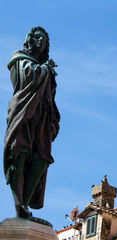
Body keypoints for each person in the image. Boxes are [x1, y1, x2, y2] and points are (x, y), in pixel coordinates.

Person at [4, 26, 60, 219]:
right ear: (29, 40)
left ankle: (25, 204)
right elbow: (25, 78)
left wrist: (54, 120)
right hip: (23, 112)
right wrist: (45, 70)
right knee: (19, 154)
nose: (40, 41)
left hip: (42, 117)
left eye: (44, 39)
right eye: (37, 38)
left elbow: (50, 98)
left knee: (41, 159)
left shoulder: (46, 68)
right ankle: (19, 204)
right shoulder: (19, 58)